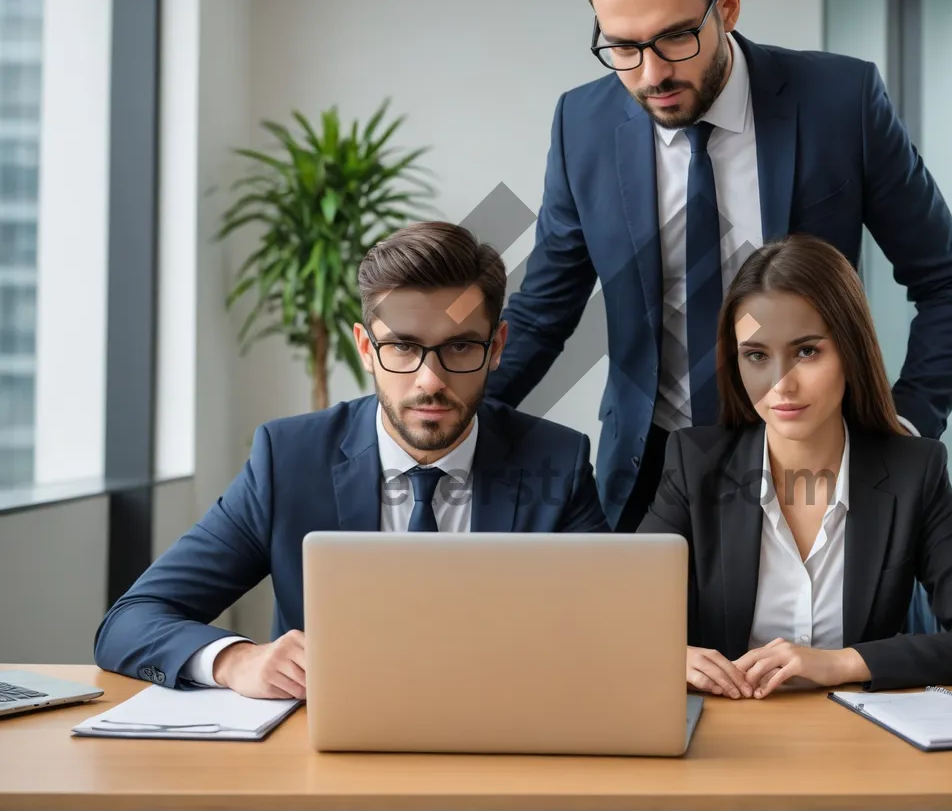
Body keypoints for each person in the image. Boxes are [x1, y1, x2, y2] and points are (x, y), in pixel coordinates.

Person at [485, 0, 952, 535]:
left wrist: (904, 431)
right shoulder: (582, 124)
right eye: (622, 47)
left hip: (821, 463)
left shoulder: (842, 103)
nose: (649, 74)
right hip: (651, 476)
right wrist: (440, 423)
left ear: (728, 6)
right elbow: (543, 311)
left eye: (675, 37)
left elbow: (948, 281)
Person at [94, 222, 609, 698]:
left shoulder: (558, 461)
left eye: (459, 347)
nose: (430, 380)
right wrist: (236, 660)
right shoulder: (288, 460)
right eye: (403, 348)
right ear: (365, 348)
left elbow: (613, 627)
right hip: (326, 756)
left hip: (503, 740)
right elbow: (131, 621)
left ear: (496, 348)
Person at [638, 234, 952, 696]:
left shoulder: (912, 470)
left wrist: (843, 663)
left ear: (851, 351)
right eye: (757, 356)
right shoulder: (694, 464)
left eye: (806, 351)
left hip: (861, 745)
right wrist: (668, 655)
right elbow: (613, 621)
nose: (781, 384)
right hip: (729, 745)